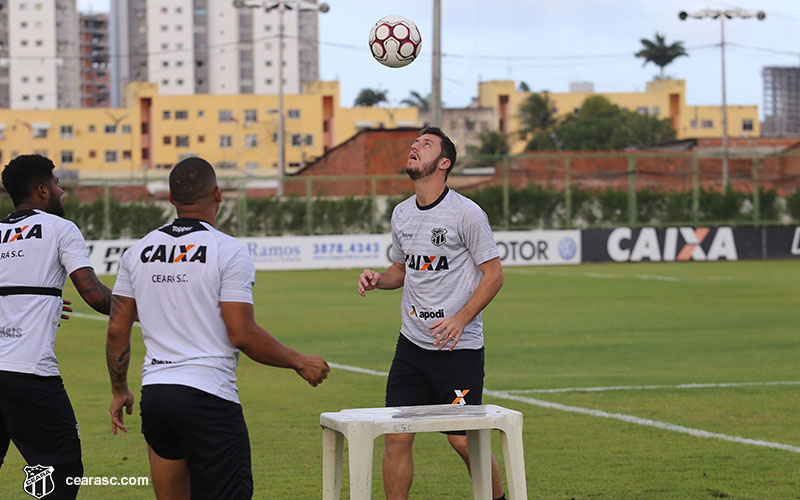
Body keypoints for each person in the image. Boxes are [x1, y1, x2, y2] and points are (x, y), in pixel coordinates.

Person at [106, 156, 330, 500]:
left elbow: (117, 330)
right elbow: (241, 333)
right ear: (218, 193)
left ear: (171, 199)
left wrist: (119, 389)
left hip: (156, 396)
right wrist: (300, 361)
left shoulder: (137, 251)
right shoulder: (227, 251)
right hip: (206, 397)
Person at [357, 127, 506, 500]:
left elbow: (494, 274)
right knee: (396, 435)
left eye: (425, 145)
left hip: (458, 352)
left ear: (444, 163)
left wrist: (460, 319)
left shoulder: (466, 214)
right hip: (411, 348)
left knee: (461, 441)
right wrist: (378, 280)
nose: (414, 147)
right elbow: (402, 270)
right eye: (414, 143)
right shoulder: (402, 213)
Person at [0, 154, 113, 499]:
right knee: (63, 469)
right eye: (57, 183)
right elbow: (94, 295)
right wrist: (145, 310)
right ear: (42, 190)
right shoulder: (60, 228)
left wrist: (40, 300)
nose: (62, 191)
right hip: (30, 373)